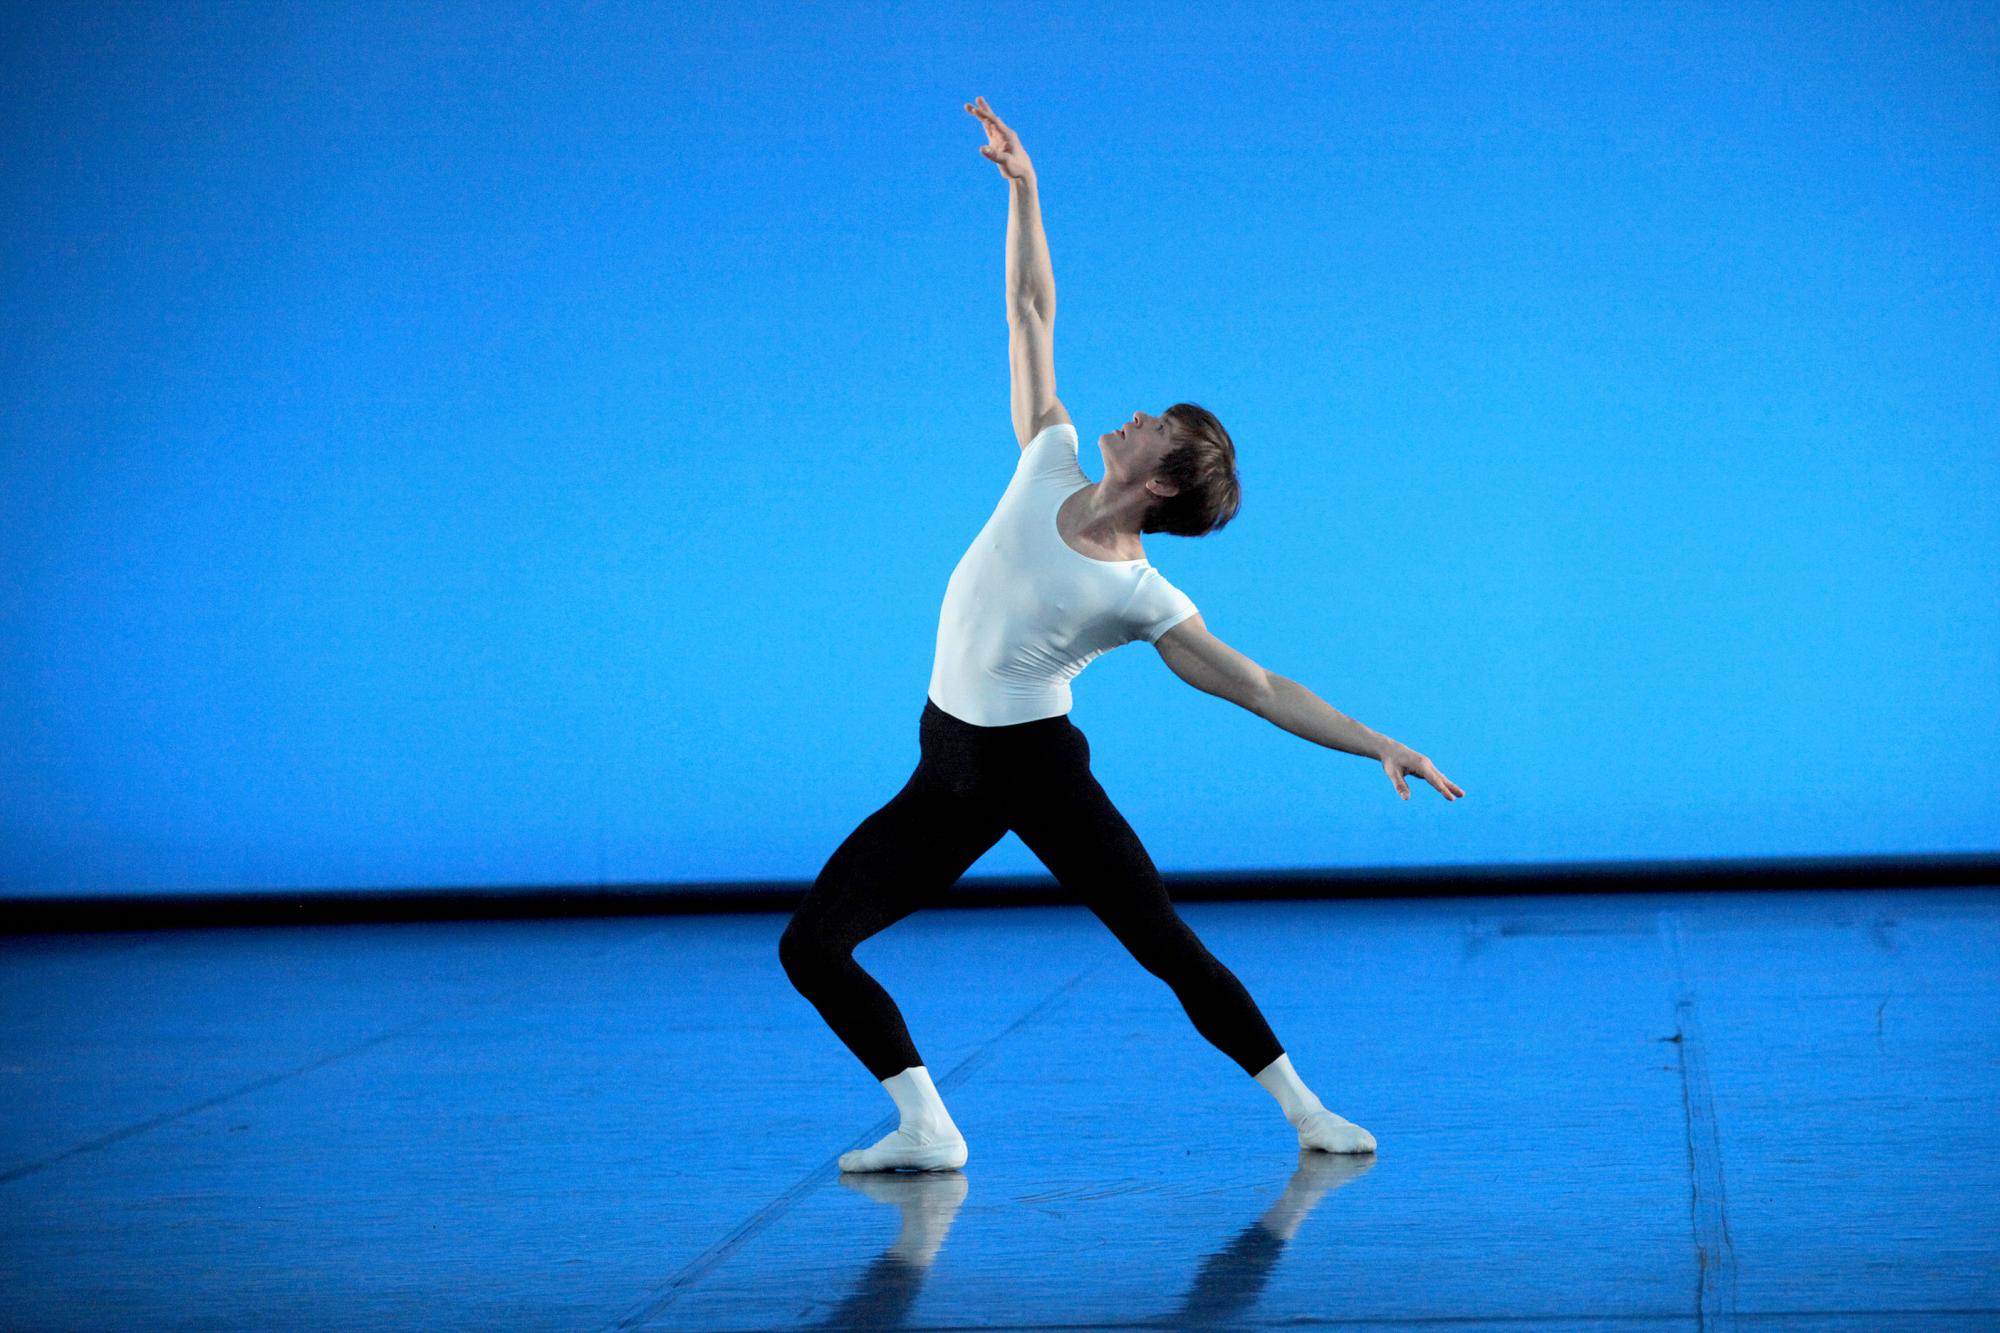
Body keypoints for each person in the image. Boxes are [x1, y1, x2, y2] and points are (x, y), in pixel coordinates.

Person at [780, 96, 1465, 1174]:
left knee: (1160, 942)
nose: (1135, 412)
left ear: (1157, 480)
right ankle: (927, 1124)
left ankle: (1307, 1114)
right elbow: (1028, 311)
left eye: (1158, 426)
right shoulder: (1045, 454)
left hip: (1035, 772)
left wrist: (1376, 740)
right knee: (810, 946)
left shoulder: (1137, 596)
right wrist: (1024, 188)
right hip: (944, 767)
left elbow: (1261, 686)